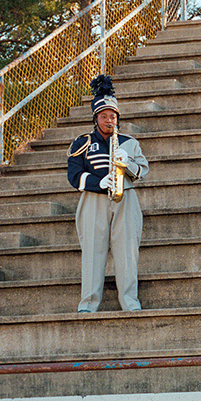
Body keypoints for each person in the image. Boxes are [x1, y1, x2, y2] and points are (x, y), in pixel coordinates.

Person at [66, 74, 149, 312]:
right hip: (93, 200)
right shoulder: (81, 142)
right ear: (96, 118)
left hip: (126, 199)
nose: (109, 120)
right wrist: (98, 182)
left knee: (127, 253)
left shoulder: (129, 142)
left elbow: (143, 170)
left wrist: (127, 165)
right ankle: (88, 304)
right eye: (104, 116)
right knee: (92, 253)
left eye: (113, 116)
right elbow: (74, 175)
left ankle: (130, 303)